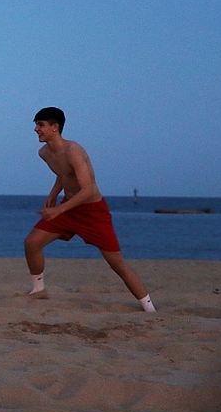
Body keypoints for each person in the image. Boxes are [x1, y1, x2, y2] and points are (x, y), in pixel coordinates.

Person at [24, 107, 156, 312]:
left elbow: (88, 190)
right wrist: (53, 194)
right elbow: (63, 174)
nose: (36, 129)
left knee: (117, 263)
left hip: (93, 211)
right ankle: (38, 290)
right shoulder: (44, 153)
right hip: (69, 208)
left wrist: (58, 210)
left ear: (54, 127)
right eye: (36, 124)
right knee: (32, 243)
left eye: (40, 125)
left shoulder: (74, 151)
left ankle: (149, 308)